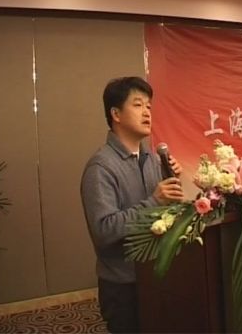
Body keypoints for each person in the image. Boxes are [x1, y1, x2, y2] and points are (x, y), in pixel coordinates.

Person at [80, 76, 185, 333]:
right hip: (123, 285)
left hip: (156, 275)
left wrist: (171, 187)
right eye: (138, 105)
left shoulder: (154, 160)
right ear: (116, 114)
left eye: (149, 106)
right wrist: (154, 201)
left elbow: (162, 217)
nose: (147, 112)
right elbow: (104, 230)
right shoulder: (100, 167)